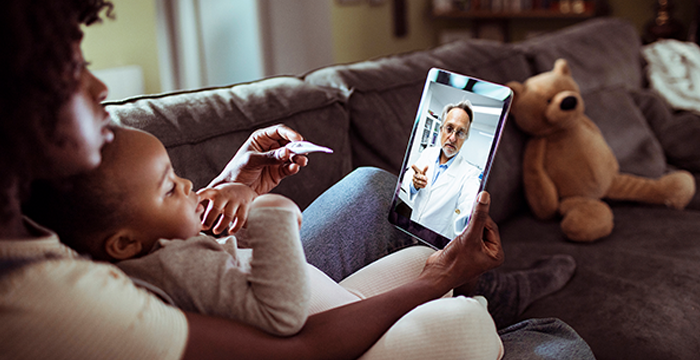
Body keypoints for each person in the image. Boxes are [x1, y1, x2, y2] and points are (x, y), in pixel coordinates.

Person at [0, 0, 595, 359]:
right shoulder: (42, 304)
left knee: (370, 188)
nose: (98, 84)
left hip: (251, 291)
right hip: (285, 329)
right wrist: (433, 285)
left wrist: (228, 186)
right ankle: (488, 309)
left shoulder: (37, 206)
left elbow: (144, 248)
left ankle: (479, 289)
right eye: (67, 68)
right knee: (556, 347)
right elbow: (299, 349)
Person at [26, 125, 504, 360]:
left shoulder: (137, 249)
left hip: (335, 300)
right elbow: (287, 321)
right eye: (171, 186)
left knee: (409, 237)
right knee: (469, 323)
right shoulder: (152, 282)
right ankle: (500, 315)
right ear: (125, 243)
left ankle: (475, 291)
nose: (190, 185)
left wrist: (235, 188)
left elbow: (158, 230)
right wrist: (270, 213)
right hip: (329, 338)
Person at [404, 100, 481, 238]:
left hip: (432, 242)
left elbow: (469, 205)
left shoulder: (470, 173)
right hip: (409, 226)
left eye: (460, 133)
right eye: (449, 128)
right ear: (441, 130)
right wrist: (414, 184)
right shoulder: (428, 152)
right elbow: (407, 178)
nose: (452, 138)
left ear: (466, 138)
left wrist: (471, 218)